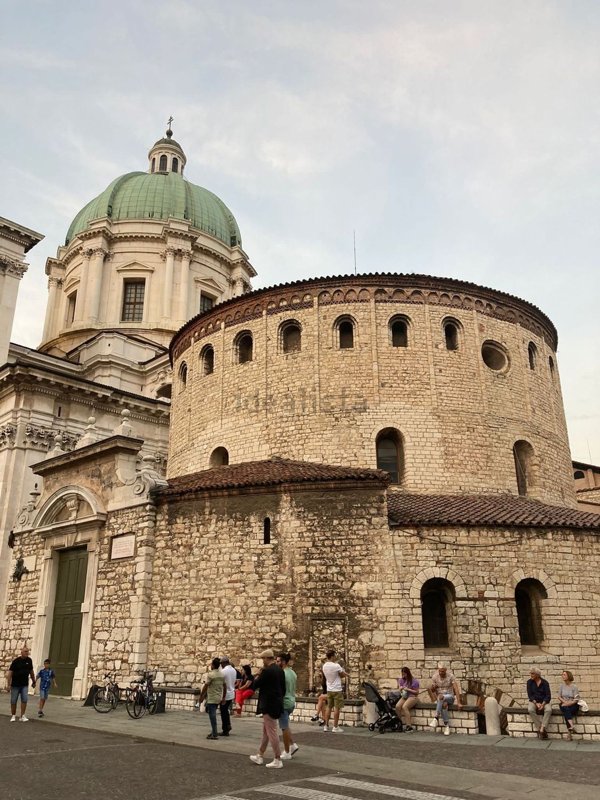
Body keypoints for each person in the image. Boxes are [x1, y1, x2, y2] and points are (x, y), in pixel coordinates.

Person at [249, 648, 286, 769]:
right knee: (266, 731)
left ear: (266, 658)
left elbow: (255, 685)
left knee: (271, 732)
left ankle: (277, 758)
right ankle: (260, 755)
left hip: (268, 704)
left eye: (262, 659)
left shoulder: (267, 671)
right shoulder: (279, 670)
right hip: (277, 702)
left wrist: (258, 675)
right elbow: (283, 688)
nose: (262, 661)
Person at [428, 662, 461, 735]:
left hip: (450, 696)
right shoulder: (435, 677)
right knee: (444, 705)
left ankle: (436, 717)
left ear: (446, 670)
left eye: (442, 671)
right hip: (441, 699)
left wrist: (458, 702)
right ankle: (447, 726)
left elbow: (456, 689)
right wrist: (433, 688)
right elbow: (432, 690)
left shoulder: (451, 676)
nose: (441, 673)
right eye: (439, 671)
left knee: (440, 697)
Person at [277, 652, 299, 759]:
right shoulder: (293, 673)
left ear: (283, 662)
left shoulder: (282, 674)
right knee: (286, 725)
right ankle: (293, 745)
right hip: (291, 700)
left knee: (284, 727)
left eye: (278, 661)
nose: (277, 663)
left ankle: (287, 751)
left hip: (284, 702)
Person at [7, 646, 36, 722]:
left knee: (24, 699)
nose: (27, 653)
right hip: (15, 685)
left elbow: (31, 671)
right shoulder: (16, 661)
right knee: (13, 700)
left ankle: (22, 716)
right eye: (25, 651)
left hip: (24, 684)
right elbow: (10, 673)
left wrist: (34, 681)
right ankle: (13, 715)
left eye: (28, 651)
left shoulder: (29, 660)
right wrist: (9, 684)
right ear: (22, 652)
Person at [322, 649, 348, 733]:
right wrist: (346, 674)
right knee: (337, 708)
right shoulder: (336, 666)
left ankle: (326, 726)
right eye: (335, 655)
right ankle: (335, 726)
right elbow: (342, 675)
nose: (336, 657)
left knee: (329, 707)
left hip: (329, 689)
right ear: (332, 656)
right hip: (337, 689)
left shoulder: (324, 666)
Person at [199, 657, 226, 740]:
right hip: (218, 697)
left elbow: (206, 686)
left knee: (212, 716)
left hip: (211, 697)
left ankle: (214, 733)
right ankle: (213, 732)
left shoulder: (211, 674)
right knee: (212, 714)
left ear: (213, 665)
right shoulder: (222, 674)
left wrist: (201, 696)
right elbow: (225, 686)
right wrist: (224, 697)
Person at [527, 667, 552, 739]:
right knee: (530, 709)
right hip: (534, 701)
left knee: (549, 710)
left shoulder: (545, 683)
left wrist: (543, 704)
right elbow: (530, 695)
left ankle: (542, 729)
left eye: (532, 674)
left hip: (544, 701)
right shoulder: (529, 682)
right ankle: (540, 727)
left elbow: (548, 696)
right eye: (531, 673)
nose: (531, 675)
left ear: (537, 675)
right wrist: (536, 703)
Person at [394, 666, 419, 731]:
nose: (403, 675)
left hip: (412, 696)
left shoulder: (414, 681)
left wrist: (408, 689)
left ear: (408, 673)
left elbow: (416, 692)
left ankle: (409, 726)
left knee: (405, 707)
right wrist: (400, 688)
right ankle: (399, 723)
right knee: (397, 706)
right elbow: (400, 689)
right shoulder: (401, 680)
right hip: (405, 696)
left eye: (404, 674)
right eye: (402, 674)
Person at [558, 670, 579, 740]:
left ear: (568, 676)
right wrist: (564, 702)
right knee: (566, 709)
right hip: (563, 703)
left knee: (567, 711)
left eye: (564, 675)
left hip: (573, 704)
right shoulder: (561, 686)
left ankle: (569, 733)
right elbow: (559, 696)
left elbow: (576, 699)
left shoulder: (574, 687)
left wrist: (568, 703)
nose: (562, 676)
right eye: (562, 675)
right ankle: (572, 726)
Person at [219, 657, 237, 736]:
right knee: (225, 711)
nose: (221, 665)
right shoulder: (233, 670)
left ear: (223, 663)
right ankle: (228, 725)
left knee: (223, 712)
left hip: (225, 694)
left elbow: (221, 684)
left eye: (221, 664)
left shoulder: (223, 671)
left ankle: (225, 729)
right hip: (231, 693)